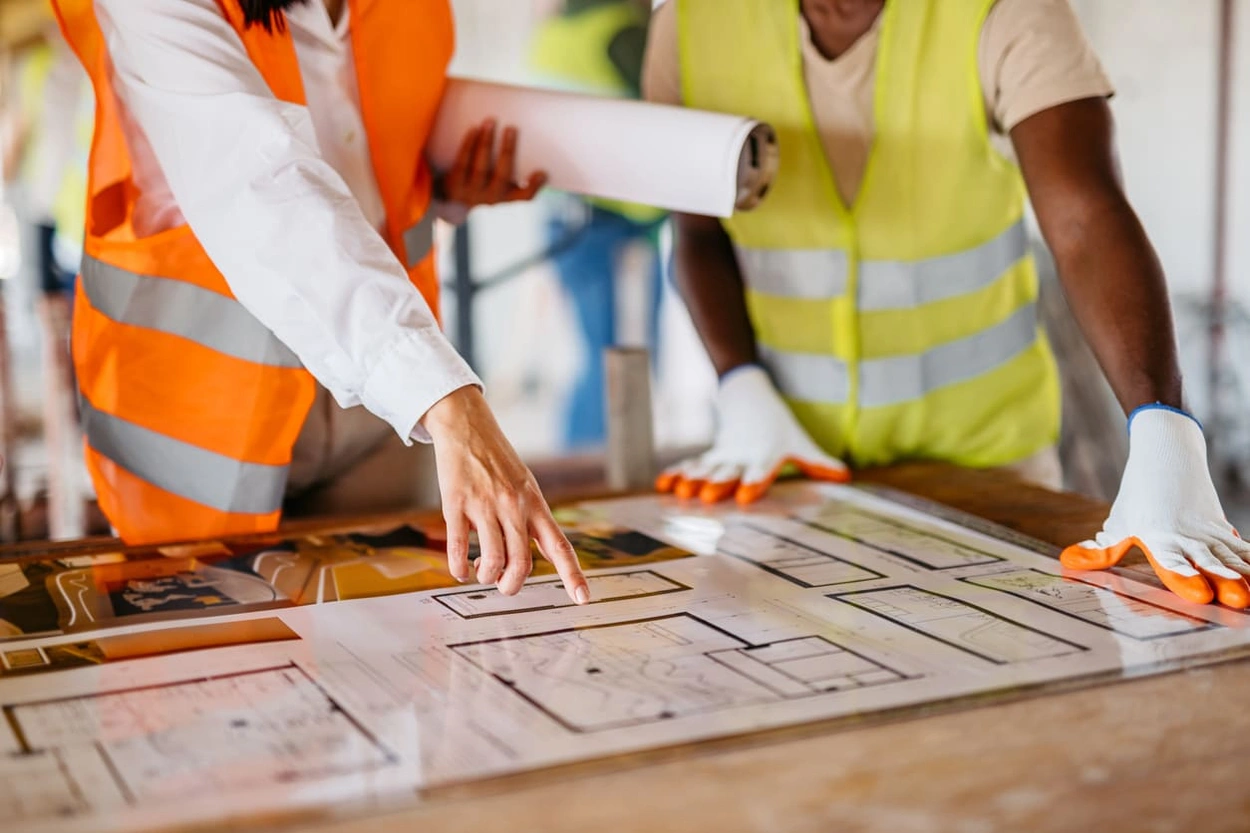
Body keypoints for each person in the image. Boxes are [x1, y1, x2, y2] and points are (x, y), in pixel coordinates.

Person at [645, 0, 1250, 609]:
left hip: (991, 474)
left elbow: (1085, 218)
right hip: (790, 469)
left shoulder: (1005, 11)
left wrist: (1163, 430)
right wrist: (741, 387)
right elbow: (697, 234)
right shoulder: (694, 24)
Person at [51, 0, 590, 603]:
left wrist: (440, 188)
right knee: (230, 675)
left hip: (381, 418)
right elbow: (258, 187)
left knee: (401, 651)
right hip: (203, 430)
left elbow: (365, 146)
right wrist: (444, 396)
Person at [530, 0, 666, 450]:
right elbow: (673, 115)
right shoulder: (619, 34)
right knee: (623, 365)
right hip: (616, 227)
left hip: (565, 220)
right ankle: (608, 475)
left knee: (594, 358)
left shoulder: (555, 32)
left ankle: (581, 471)